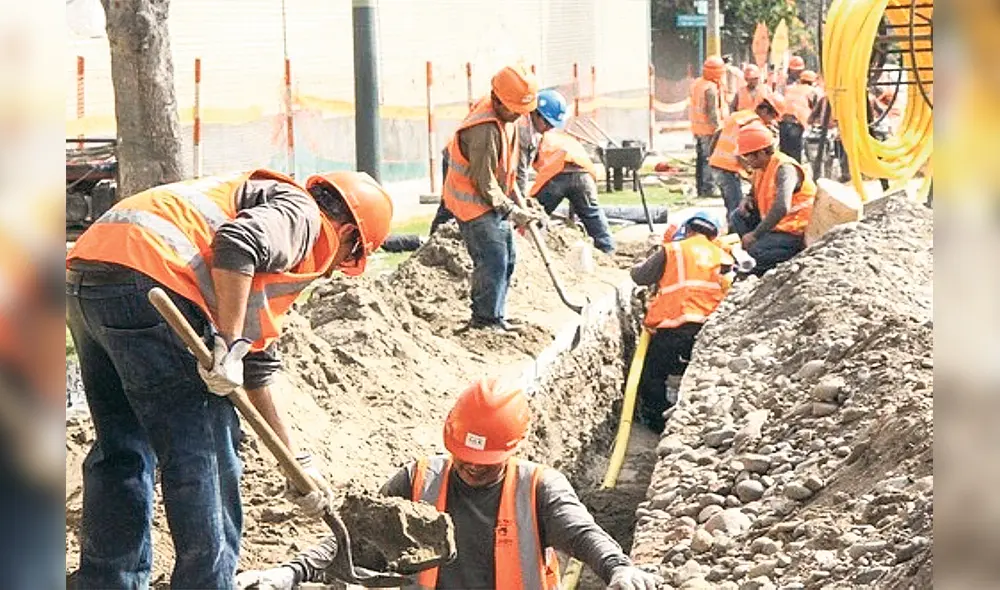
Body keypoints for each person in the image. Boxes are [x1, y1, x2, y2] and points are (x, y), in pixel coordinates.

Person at [65, 169, 394, 589]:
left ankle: (107, 581)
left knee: (122, 448)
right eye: (349, 258)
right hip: (150, 281)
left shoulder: (259, 208)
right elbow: (237, 245)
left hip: (89, 278)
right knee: (207, 455)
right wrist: (230, 341)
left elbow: (254, 364)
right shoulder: (303, 216)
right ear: (347, 232)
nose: (333, 272)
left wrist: (296, 464)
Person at [234, 378, 663, 590]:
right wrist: (287, 572)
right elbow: (349, 539)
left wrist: (618, 568)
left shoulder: (539, 488)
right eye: (465, 458)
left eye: (485, 463)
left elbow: (583, 535)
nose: (472, 469)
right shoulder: (415, 480)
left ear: (513, 449)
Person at [441, 63, 545, 334]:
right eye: (516, 110)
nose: (520, 116)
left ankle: (496, 316)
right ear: (499, 100)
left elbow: (505, 170)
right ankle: (484, 320)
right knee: (493, 259)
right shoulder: (484, 130)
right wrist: (511, 210)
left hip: (490, 199)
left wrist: (519, 201)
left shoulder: (507, 117)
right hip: (473, 204)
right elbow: (484, 181)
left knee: (508, 257)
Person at [629, 213, 732, 432]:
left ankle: (656, 422)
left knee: (653, 374)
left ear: (688, 230)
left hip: (674, 325)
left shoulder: (674, 250)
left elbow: (641, 276)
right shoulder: (723, 255)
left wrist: (635, 266)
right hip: (709, 330)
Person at [526, 89, 615, 253]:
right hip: (584, 175)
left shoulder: (537, 136)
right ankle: (607, 249)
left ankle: (528, 246)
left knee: (534, 212)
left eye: (550, 124)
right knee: (592, 213)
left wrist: (529, 200)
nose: (547, 127)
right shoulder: (563, 138)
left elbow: (534, 168)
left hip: (557, 174)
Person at [729, 121, 816, 275]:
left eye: (749, 156)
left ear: (762, 152)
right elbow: (755, 191)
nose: (746, 160)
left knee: (758, 252)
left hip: (794, 231)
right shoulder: (760, 168)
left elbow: (782, 206)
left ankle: (768, 260)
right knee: (737, 216)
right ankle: (756, 252)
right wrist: (747, 199)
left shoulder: (784, 168)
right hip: (775, 226)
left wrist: (755, 235)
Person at [709, 96, 782, 217]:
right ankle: (735, 234)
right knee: (737, 210)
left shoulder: (739, 115)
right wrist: (752, 174)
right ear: (764, 111)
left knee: (731, 205)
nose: (771, 121)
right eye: (772, 117)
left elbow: (717, 133)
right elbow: (740, 150)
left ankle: (732, 231)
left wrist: (711, 156)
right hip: (729, 168)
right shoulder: (753, 123)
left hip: (718, 164)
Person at [689, 56, 728, 198]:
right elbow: (712, 111)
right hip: (709, 130)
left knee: (701, 159)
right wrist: (719, 129)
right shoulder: (710, 88)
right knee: (709, 159)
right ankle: (709, 187)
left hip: (698, 128)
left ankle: (701, 187)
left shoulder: (698, 84)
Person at [778, 69, 820, 163]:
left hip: (783, 122)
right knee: (795, 155)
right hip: (797, 123)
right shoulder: (812, 91)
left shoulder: (789, 88)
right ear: (812, 81)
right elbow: (817, 108)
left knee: (784, 154)